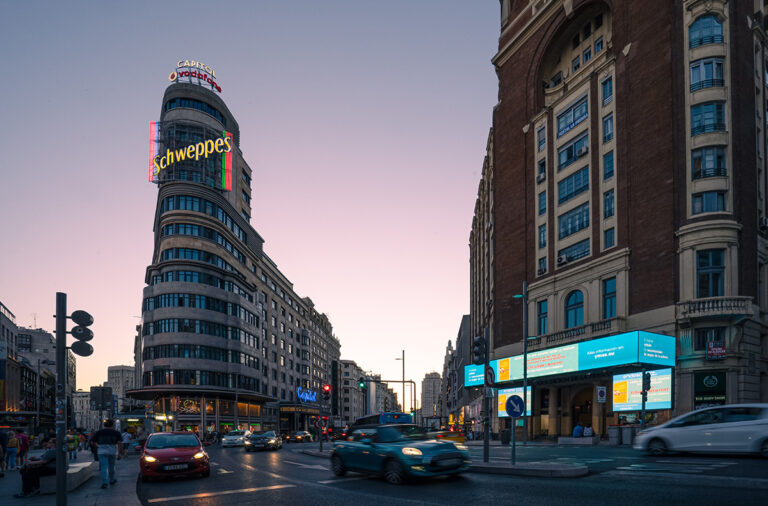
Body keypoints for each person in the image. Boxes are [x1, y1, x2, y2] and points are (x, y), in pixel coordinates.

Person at [91, 420, 123, 489]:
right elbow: (120, 443)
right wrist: (120, 453)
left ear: (104, 425)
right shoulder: (116, 433)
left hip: (101, 452)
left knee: (103, 467)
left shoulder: (99, 432)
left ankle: (104, 482)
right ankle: (112, 480)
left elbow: (93, 442)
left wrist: (98, 446)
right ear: (112, 425)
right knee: (111, 466)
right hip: (112, 452)